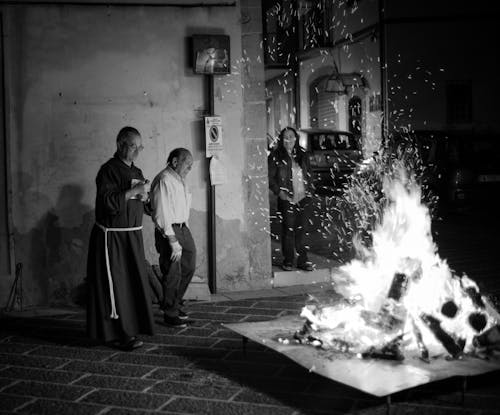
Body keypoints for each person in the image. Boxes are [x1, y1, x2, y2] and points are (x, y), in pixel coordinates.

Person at [87, 126, 155, 351]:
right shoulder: (107, 171)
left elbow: (141, 205)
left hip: (132, 237)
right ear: (120, 145)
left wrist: (147, 199)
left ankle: (133, 328)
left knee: (132, 284)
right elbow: (107, 202)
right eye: (133, 146)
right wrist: (131, 193)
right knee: (116, 286)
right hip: (112, 240)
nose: (137, 151)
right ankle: (118, 333)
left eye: (140, 147)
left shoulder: (137, 171)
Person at [150, 148, 195, 328]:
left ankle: (174, 304)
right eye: (187, 164)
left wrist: (185, 229)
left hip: (183, 228)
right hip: (170, 230)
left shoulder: (180, 180)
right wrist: (172, 239)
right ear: (175, 162)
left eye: (191, 166)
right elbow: (161, 212)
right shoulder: (164, 180)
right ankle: (170, 313)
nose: (189, 169)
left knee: (189, 266)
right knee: (172, 273)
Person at [268, 127, 315, 272]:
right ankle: (288, 260)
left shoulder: (303, 155)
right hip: (287, 198)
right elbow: (269, 177)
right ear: (282, 139)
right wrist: (279, 192)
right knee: (288, 231)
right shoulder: (275, 156)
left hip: (303, 198)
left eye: (292, 136)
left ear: (296, 138)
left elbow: (309, 174)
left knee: (302, 230)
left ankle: (303, 260)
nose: (289, 139)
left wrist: (310, 191)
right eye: (286, 137)